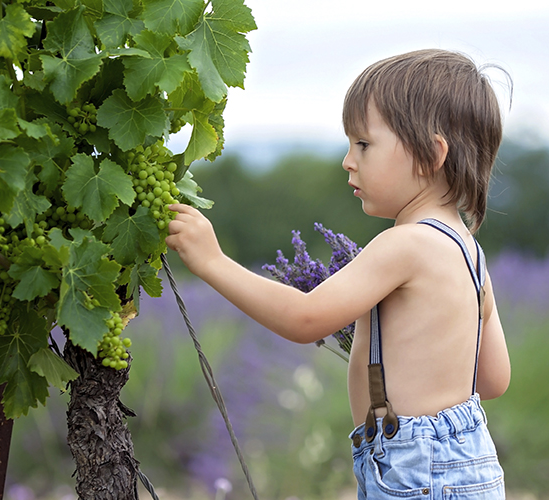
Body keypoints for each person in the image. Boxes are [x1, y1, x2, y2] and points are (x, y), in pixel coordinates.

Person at [166, 48, 511, 499]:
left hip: (416, 471)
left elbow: (305, 318)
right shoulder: (470, 252)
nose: (348, 160)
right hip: (471, 465)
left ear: (431, 154)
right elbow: (493, 379)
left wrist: (213, 262)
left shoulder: (402, 244)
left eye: (364, 144)